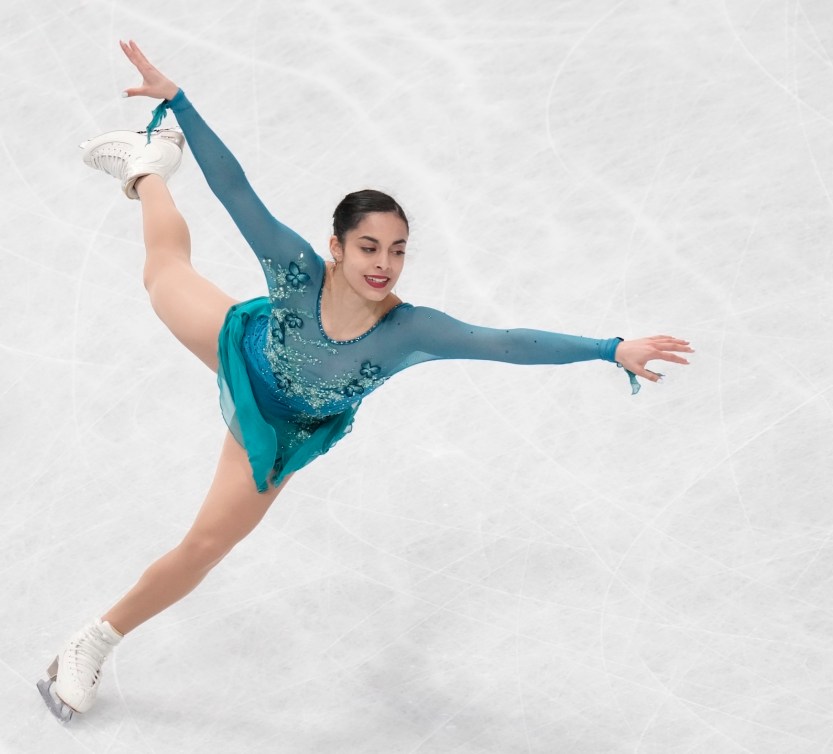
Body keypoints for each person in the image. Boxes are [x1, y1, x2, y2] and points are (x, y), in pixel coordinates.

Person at [37, 40, 694, 723]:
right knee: (162, 274)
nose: (385, 264)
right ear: (338, 248)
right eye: (370, 248)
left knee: (206, 544)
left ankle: (92, 642)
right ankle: (148, 170)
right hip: (244, 343)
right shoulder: (294, 269)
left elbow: (502, 343)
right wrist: (179, 101)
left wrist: (608, 347)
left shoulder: (411, 330)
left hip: (283, 427)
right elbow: (235, 189)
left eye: (399, 250)